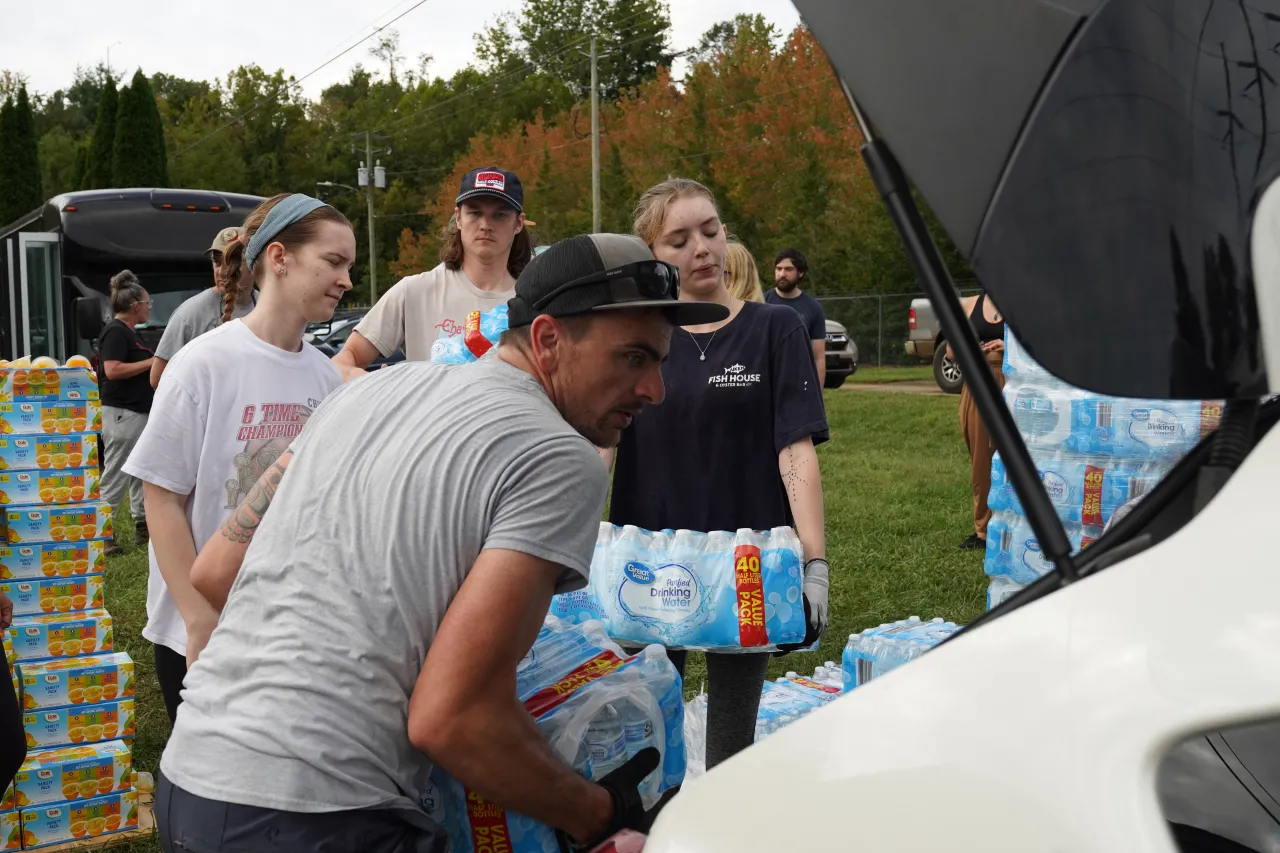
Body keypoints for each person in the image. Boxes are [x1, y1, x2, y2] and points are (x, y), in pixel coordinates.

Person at [150, 233, 725, 853]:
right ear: (549, 340)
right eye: (634, 358)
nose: (655, 390)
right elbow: (453, 719)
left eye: (661, 362)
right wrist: (599, 816)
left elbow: (215, 570)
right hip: (320, 813)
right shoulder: (561, 457)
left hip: (191, 777)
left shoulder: (363, 392)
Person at [607, 178, 831, 769]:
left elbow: (796, 450)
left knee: (734, 746)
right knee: (649, 739)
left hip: (748, 569)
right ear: (651, 255)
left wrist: (813, 563)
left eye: (709, 230)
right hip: (648, 568)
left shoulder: (774, 329)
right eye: (678, 240)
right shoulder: (635, 337)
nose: (700, 248)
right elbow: (599, 444)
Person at [121, 193, 351, 727]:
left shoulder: (323, 377)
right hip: (200, 635)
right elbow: (161, 500)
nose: (345, 281)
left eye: (349, 267)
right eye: (333, 262)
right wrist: (198, 619)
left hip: (286, 631)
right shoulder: (202, 363)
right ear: (279, 257)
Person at [332, 165, 535, 382]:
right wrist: (378, 387)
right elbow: (343, 361)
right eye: (475, 213)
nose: (485, 225)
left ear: (518, 223)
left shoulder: (535, 303)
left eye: (500, 215)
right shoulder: (414, 291)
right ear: (458, 218)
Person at [150, 226, 258, 388]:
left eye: (231, 263)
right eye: (216, 262)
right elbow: (157, 379)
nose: (221, 271)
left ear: (253, 265)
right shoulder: (191, 313)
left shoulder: (269, 306)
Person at [97, 270, 155, 556]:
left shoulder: (130, 332)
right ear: (135, 307)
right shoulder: (115, 331)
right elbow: (112, 370)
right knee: (116, 473)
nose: (149, 308)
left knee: (138, 472)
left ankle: (142, 525)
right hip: (122, 414)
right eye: (147, 304)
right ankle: (102, 535)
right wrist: (152, 363)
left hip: (135, 413)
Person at [949, 291, 1006, 550]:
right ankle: (983, 530)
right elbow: (951, 351)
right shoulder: (969, 305)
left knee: (1017, 452)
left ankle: (1017, 522)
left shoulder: (1027, 303)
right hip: (978, 382)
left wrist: (1009, 347)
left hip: (1014, 383)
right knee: (981, 457)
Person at [766, 247, 827, 387]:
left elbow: (819, 357)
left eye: (788, 269)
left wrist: (818, 395)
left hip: (799, 382)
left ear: (800, 273)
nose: (782, 274)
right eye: (778, 268)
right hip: (767, 382)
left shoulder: (813, 308)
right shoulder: (761, 302)